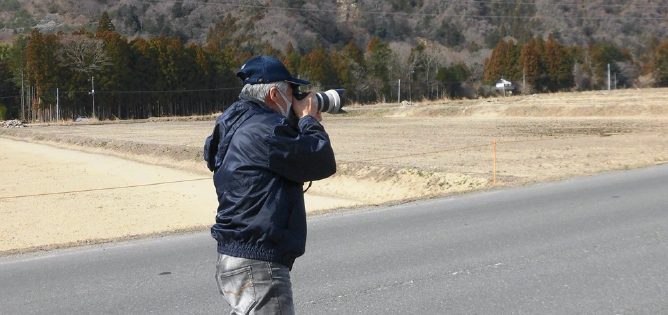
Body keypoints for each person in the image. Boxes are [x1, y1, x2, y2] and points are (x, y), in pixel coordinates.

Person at [203, 55, 337, 314]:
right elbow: (321, 160)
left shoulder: (235, 122)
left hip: (235, 256)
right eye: (292, 91)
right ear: (275, 94)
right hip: (258, 264)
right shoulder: (266, 130)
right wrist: (309, 119)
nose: (295, 98)